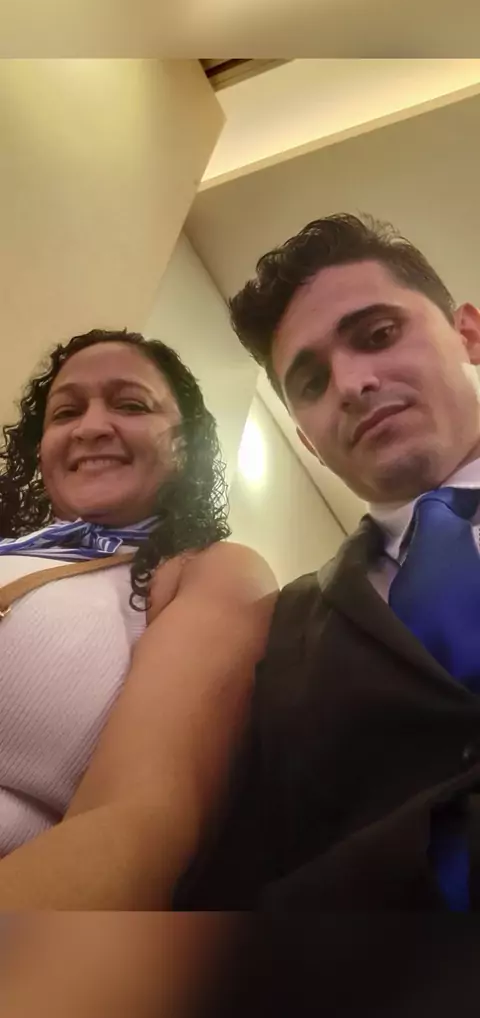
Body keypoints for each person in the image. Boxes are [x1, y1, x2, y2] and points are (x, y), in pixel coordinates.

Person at [176, 215, 480, 1016]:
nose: (350, 384)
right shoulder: (280, 633)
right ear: (308, 442)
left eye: (377, 335)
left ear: (469, 335)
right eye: (309, 382)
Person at [0, 327, 277, 912]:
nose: (90, 427)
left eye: (130, 405)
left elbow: (142, 825)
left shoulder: (203, 571)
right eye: (66, 412)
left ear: (186, 445)